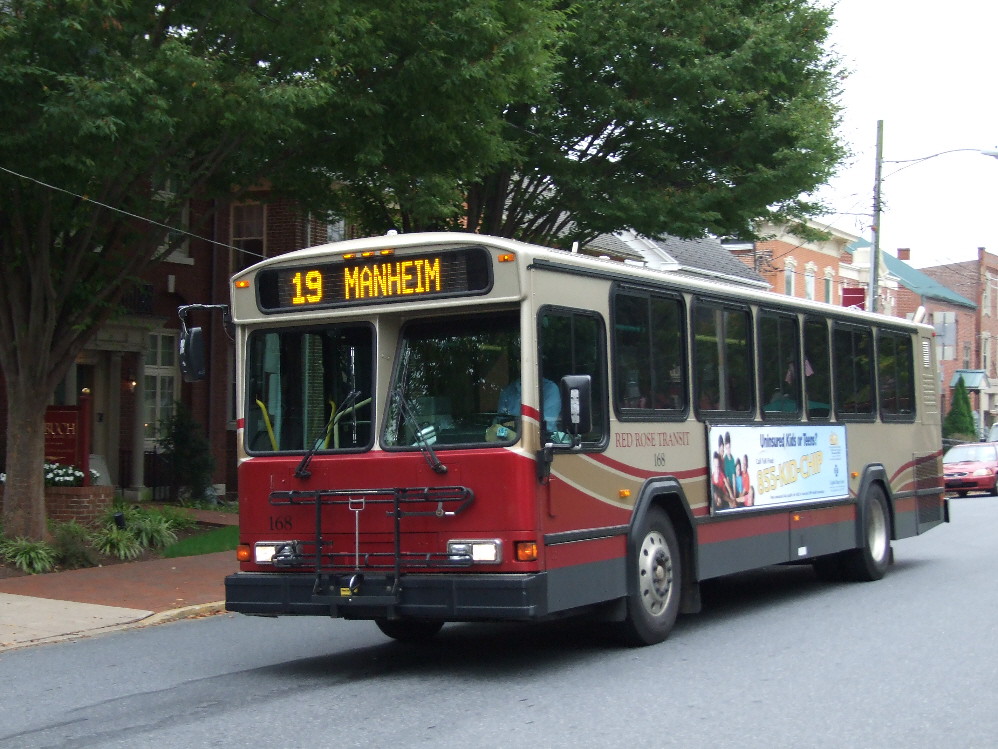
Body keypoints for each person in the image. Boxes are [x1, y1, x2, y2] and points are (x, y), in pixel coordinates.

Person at [497, 376, 561, 431]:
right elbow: (500, 421)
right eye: (519, 361)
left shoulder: (550, 389)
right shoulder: (508, 391)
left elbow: (547, 425)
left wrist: (514, 424)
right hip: (508, 441)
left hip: (544, 441)